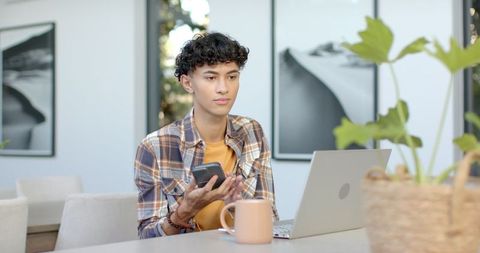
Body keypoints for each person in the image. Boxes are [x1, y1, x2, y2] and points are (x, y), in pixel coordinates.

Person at [134, 32, 279, 238]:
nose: (223, 88)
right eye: (211, 77)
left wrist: (238, 207)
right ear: (187, 83)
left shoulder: (252, 132)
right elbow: (147, 238)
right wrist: (186, 209)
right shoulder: (155, 146)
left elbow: (270, 219)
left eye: (232, 76)